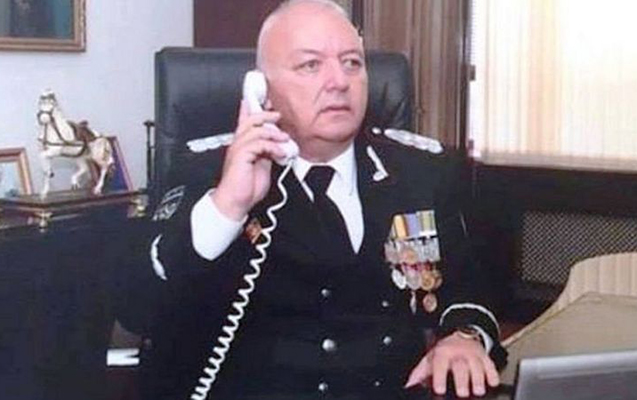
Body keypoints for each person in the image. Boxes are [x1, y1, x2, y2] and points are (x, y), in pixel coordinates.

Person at [142, 1, 506, 399]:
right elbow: (137, 305)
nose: (339, 81)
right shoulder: (208, 170)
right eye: (310, 65)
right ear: (261, 88)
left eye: (352, 63)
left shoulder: (420, 171)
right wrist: (229, 206)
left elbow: (470, 288)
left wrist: (465, 337)